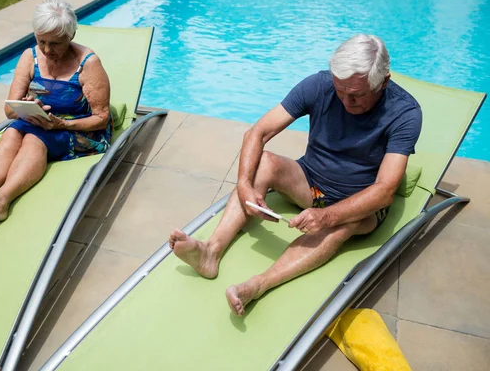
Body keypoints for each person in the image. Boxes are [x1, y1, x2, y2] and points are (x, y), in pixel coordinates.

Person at [169, 34, 422, 316]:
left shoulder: (405, 113)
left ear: (383, 82)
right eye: (340, 91)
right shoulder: (320, 84)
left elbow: (385, 189)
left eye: (358, 94)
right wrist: (243, 184)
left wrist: (327, 216)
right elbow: (258, 132)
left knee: (344, 223)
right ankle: (210, 251)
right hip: (311, 184)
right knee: (263, 163)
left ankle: (257, 285)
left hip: (359, 203)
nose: (347, 101)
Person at [0, 0, 111, 225]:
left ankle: (0, 201)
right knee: (12, 133)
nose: (46, 50)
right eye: (41, 41)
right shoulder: (29, 57)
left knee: (34, 139)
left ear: (71, 36)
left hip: (80, 130)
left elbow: (101, 119)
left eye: (55, 43)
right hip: (38, 121)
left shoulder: (88, 63)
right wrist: (26, 106)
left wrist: (62, 125)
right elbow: (8, 110)